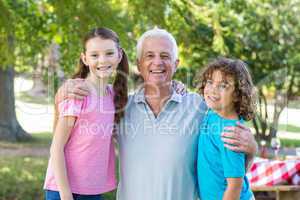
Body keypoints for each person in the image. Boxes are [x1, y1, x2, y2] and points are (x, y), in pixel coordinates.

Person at [55, 28, 257, 200]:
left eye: (165, 56)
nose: (157, 62)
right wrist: (61, 94)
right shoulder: (120, 106)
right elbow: (72, 138)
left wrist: (251, 149)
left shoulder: (200, 108)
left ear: (176, 64)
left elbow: (226, 162)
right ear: (139, 63)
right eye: (150, 56)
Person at [44, 27, 129, 200]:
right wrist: (66, 195)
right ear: (85, 58)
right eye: (95, 55)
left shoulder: (114, 95)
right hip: (64, 190)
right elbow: (56, 147)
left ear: (119, 55)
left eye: (109, 53)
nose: (102, 60)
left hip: (91, 191)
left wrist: (175, 87)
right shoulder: (77, 93)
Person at [197, 58, 256, 200]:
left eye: (223, 86)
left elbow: (235, 185)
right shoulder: (213, 113)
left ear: (237, 94)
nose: (213, 90)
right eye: (210, 82)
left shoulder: (231, 133)